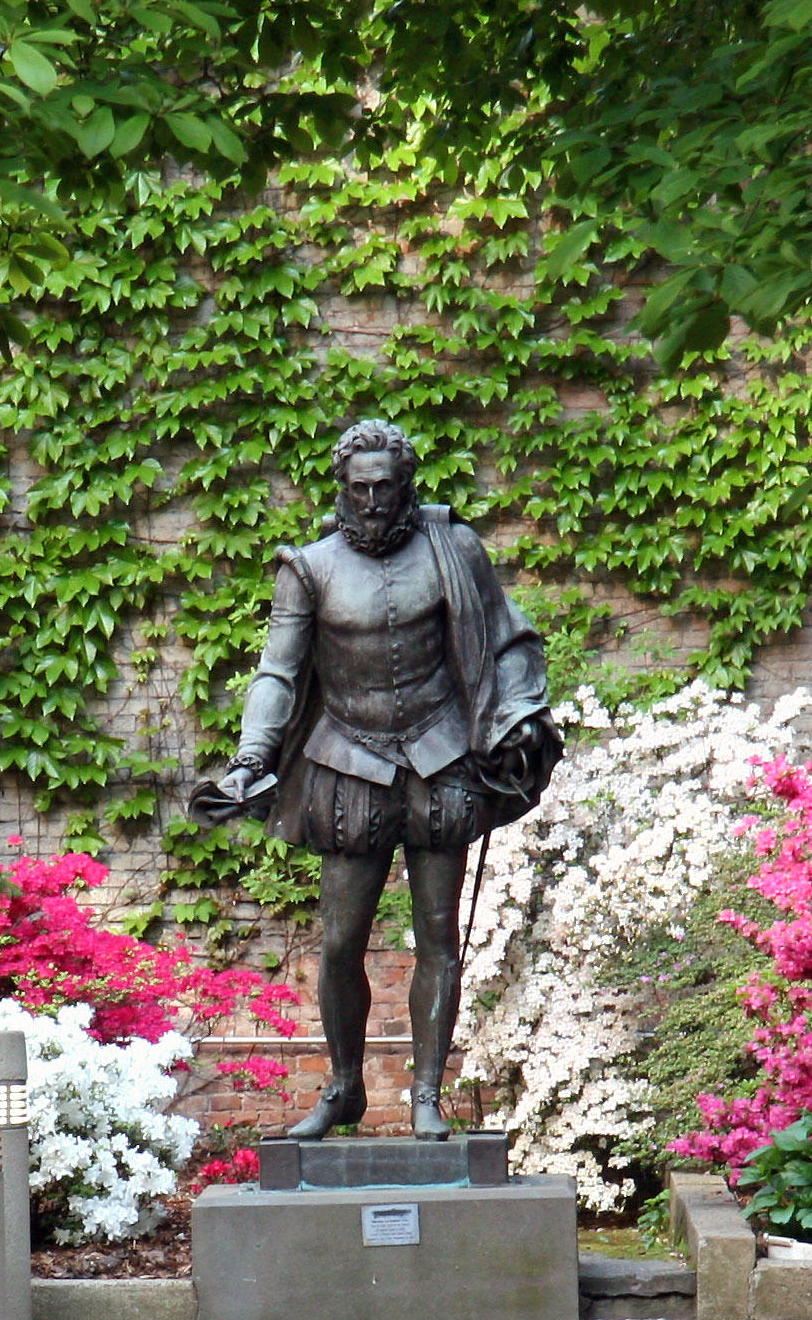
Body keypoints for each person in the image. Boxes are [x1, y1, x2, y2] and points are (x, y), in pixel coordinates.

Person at [192, 418, 559, 1140]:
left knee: (438, 937)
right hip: (348, 763)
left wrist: (515, 714)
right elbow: (278, 671)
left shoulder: (454, 550)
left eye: (384, 488)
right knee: (338, 942)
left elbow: (507, 641)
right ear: (341, 488)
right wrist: (251, 758)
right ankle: (343, 1087)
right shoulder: (309, 567)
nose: (371, 502)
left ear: (406, 487)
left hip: (441, 756)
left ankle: (425, 1093)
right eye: (357, 489)